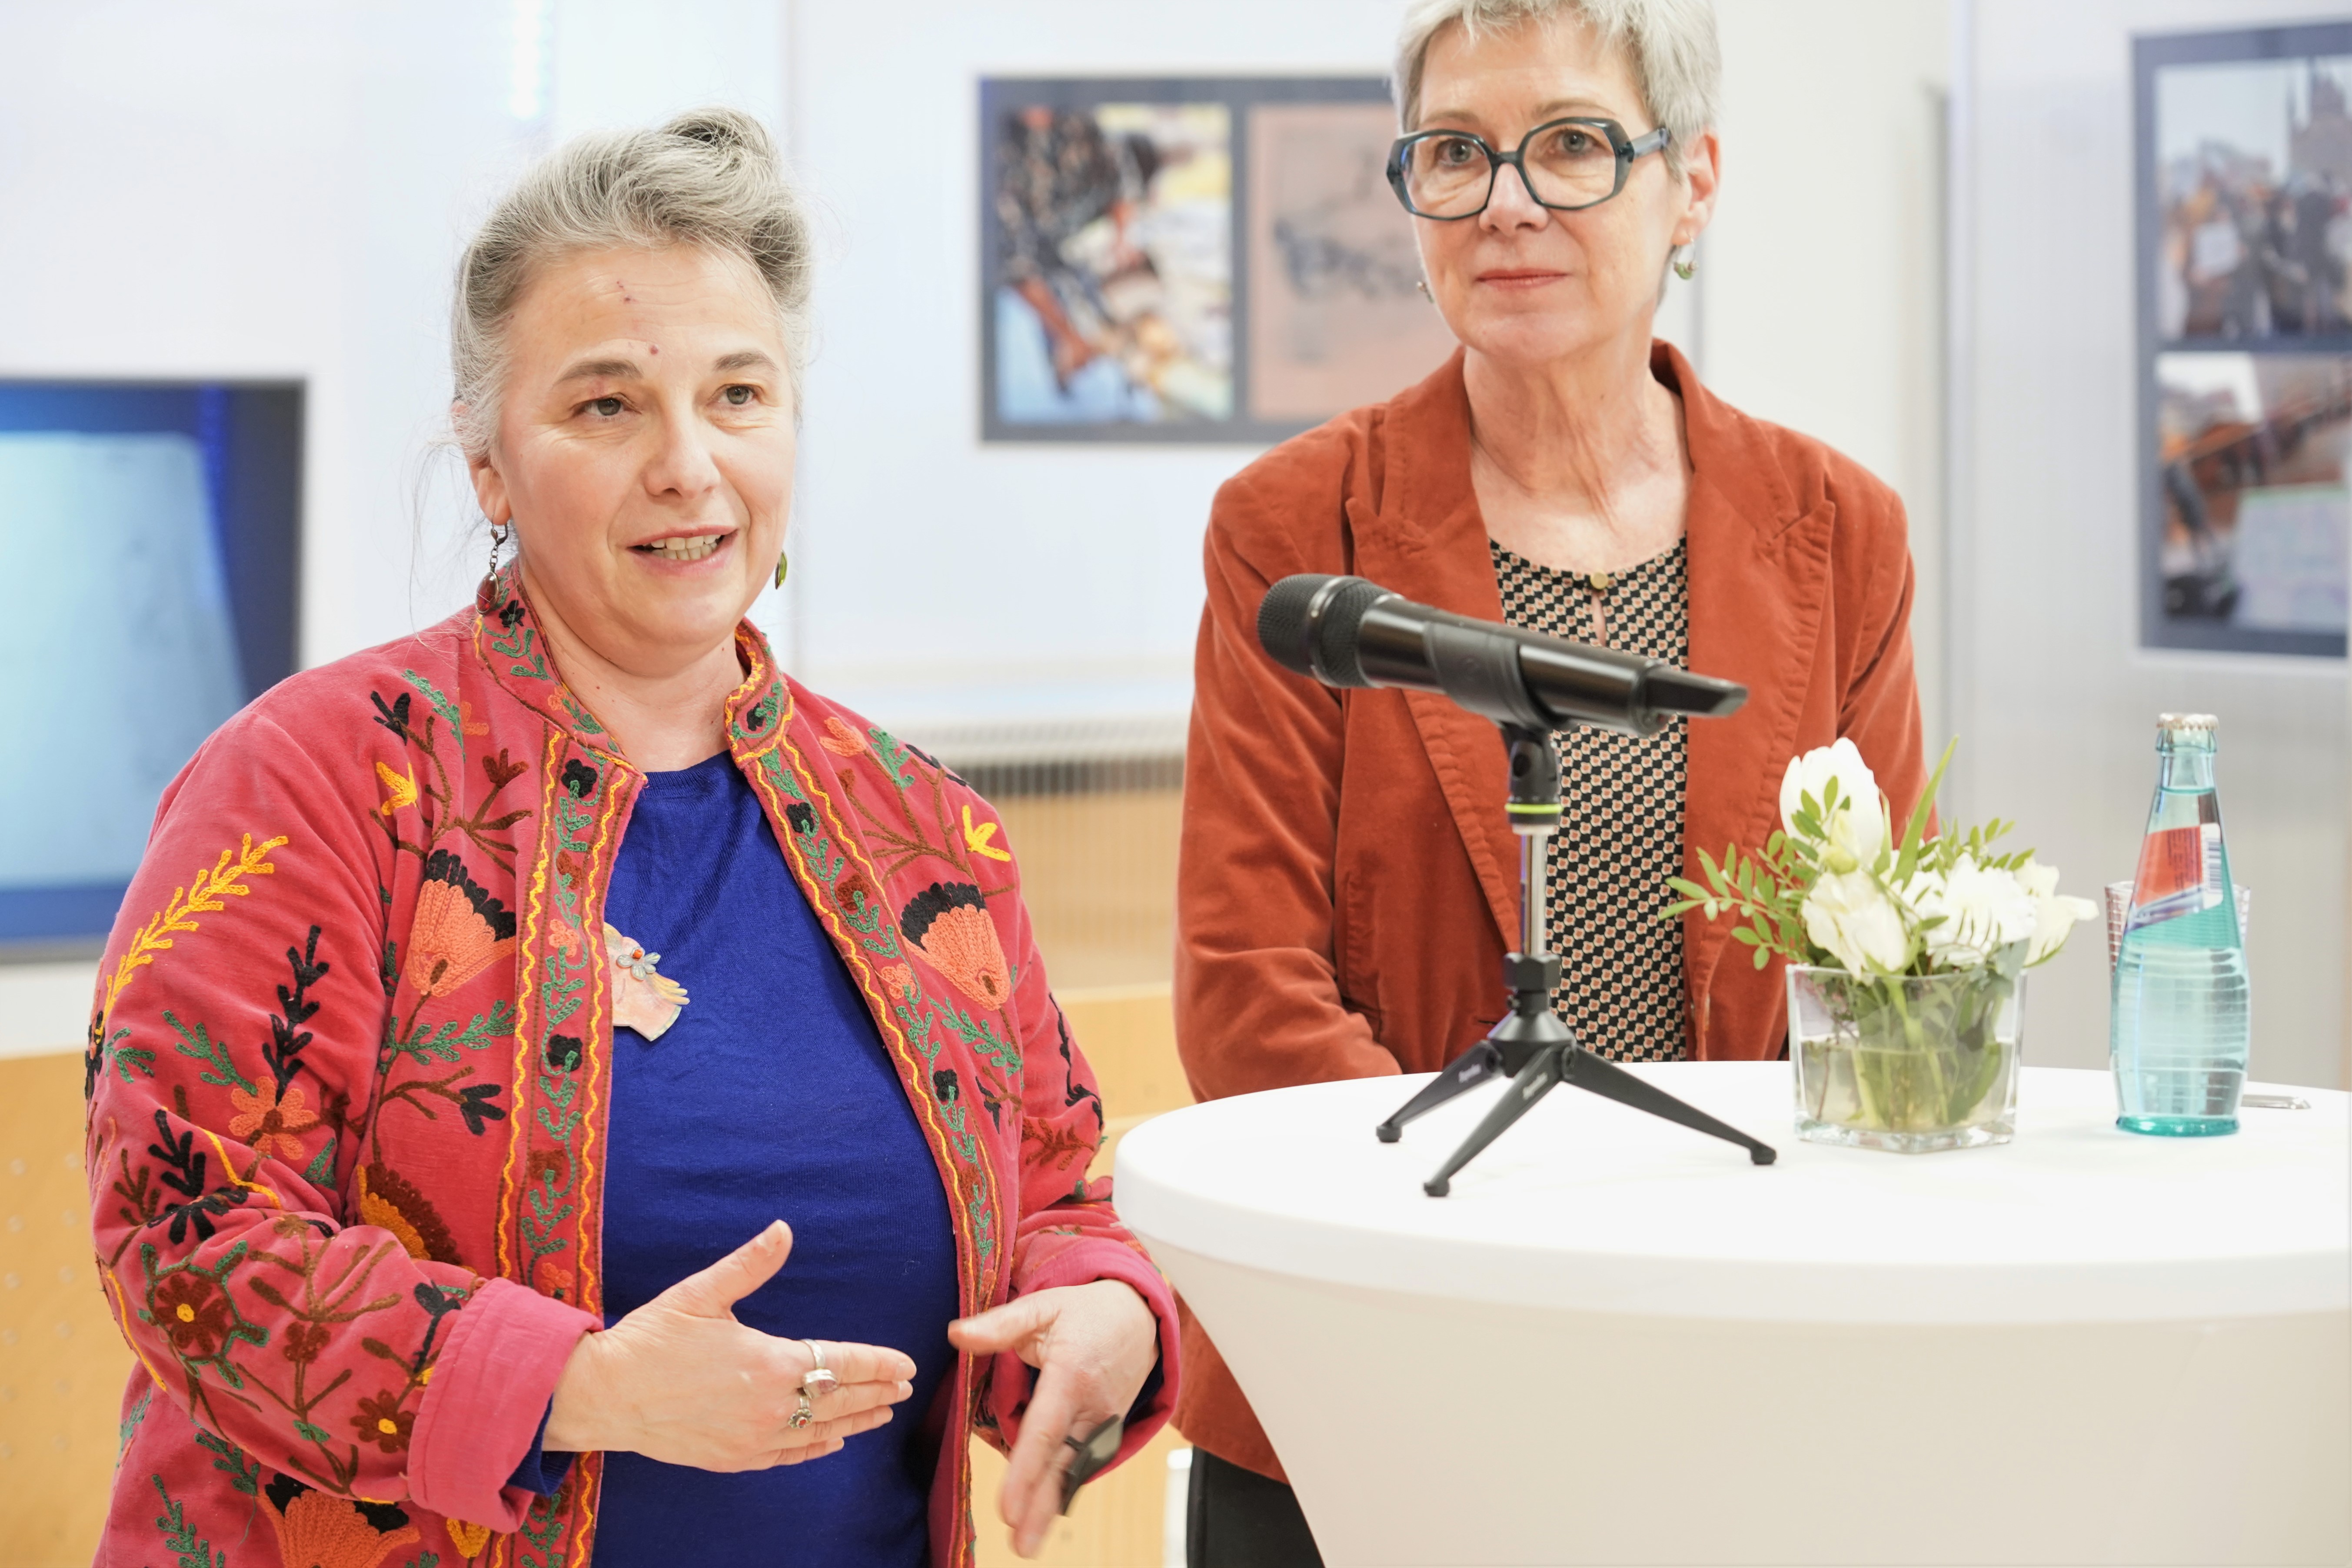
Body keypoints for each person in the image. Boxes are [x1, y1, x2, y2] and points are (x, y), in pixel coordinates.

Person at [86, 109, 1174, 1568]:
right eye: (606, 406)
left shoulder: (923, 825)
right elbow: (184, 1235)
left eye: (738, 395)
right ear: (489, 465)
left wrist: (1105, 1306)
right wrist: (578, 1388)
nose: (688, 464)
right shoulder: (316, 780)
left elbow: (1055, 1181)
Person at [1173, 1, 1930, 1560]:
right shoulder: (1295, 525)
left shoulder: (1836, 530)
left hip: (1735, 1353)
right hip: (1372, 1357)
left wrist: (1685, 1251)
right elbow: (1247, 992)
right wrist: (1500, 1246)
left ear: (1691, 181)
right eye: (1455, 153)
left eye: (1571, 145)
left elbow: (1888, 980)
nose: (1505, 202)